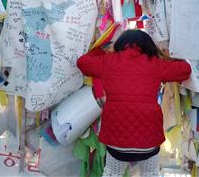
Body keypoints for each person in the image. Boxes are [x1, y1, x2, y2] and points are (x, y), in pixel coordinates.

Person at [77, 29, 192, 177]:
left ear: (120, 44)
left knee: (112, 172)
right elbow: (185, 70)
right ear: (148, 45)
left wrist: (100, 50)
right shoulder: (155, 64)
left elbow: (82, 63)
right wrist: (168, 55)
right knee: (150, 173)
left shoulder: (108, 61)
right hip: (149, 138)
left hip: (115, 138)